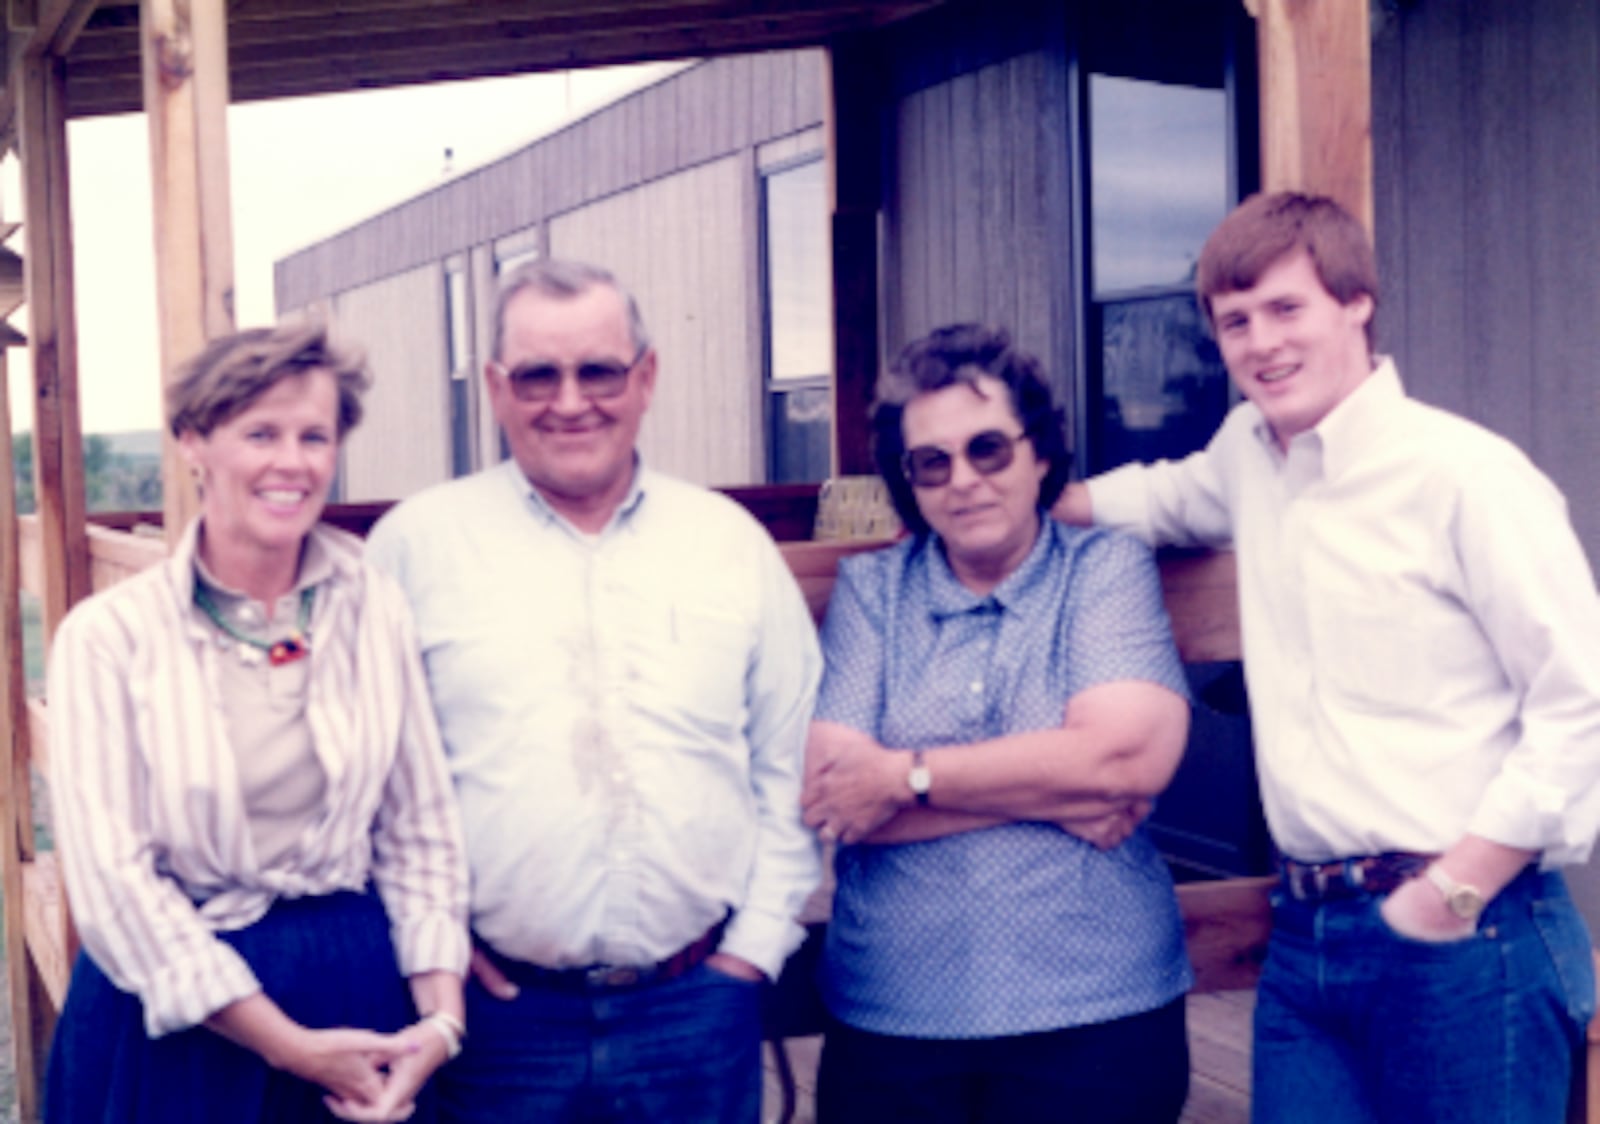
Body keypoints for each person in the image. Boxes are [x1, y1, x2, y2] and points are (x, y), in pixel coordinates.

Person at [1056, 190, 1600, 1122]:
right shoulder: (1248, 454)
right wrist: (1005, 500)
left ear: (1356, 302)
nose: (1261, 342)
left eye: (1286, 308)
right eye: (1235, 321)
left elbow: (1582, 699)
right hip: (1304, 937)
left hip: (1470, 935)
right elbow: (1157, 499)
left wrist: (1452, 893)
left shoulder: (1465, 476)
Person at [365, 258, 822, 1123]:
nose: (570, 401)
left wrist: (753, 952)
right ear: (497, 388)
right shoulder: (415, 550)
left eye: (599, 371)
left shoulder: (729, 546)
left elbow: (790, 764)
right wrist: (432, 946)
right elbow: (369, 783)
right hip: (492, 1021)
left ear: (645, 377)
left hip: (695, 1009)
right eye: (538, 374)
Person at [44, 322, 471, 1124]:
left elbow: (421, 830)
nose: (292, 461)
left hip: (356, 998)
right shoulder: (110, 638)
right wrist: (288, 1046)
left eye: (315, 435)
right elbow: (116, 887)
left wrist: (439, 1024)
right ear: (193, 442)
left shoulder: (372, 604)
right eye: (261, 433)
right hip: (179, 1026)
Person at [801, 324, 1194, 1123]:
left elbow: (1126, 759)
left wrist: (904, 777)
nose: (964, 481)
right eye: (931, 462)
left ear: (1040, 453)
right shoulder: (873, 592)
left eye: (989, 449)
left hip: (1100, 1006)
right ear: (906, 480)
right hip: (893, 1015)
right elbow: (837, 795)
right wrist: (1058, 791)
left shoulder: (1103, 569)